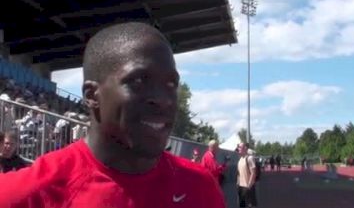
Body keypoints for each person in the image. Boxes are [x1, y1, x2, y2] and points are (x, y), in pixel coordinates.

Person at [0, 22, 225, 208]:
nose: (163, 99)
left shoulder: (200, 187)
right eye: (139, 80)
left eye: (171, 84)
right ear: (92, 95)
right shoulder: (26, 195)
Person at [237, 142, 257, 208]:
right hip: (241, 187)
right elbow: (239, 174)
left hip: (248, 187)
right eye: (238, 147)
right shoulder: (240, 159)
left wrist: (248, 186)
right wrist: (238, 183)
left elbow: (253, 173)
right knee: (242, 206)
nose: (238, 148)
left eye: (240, 147)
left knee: (250, 205)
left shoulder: (249, 158)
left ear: (245, 148)